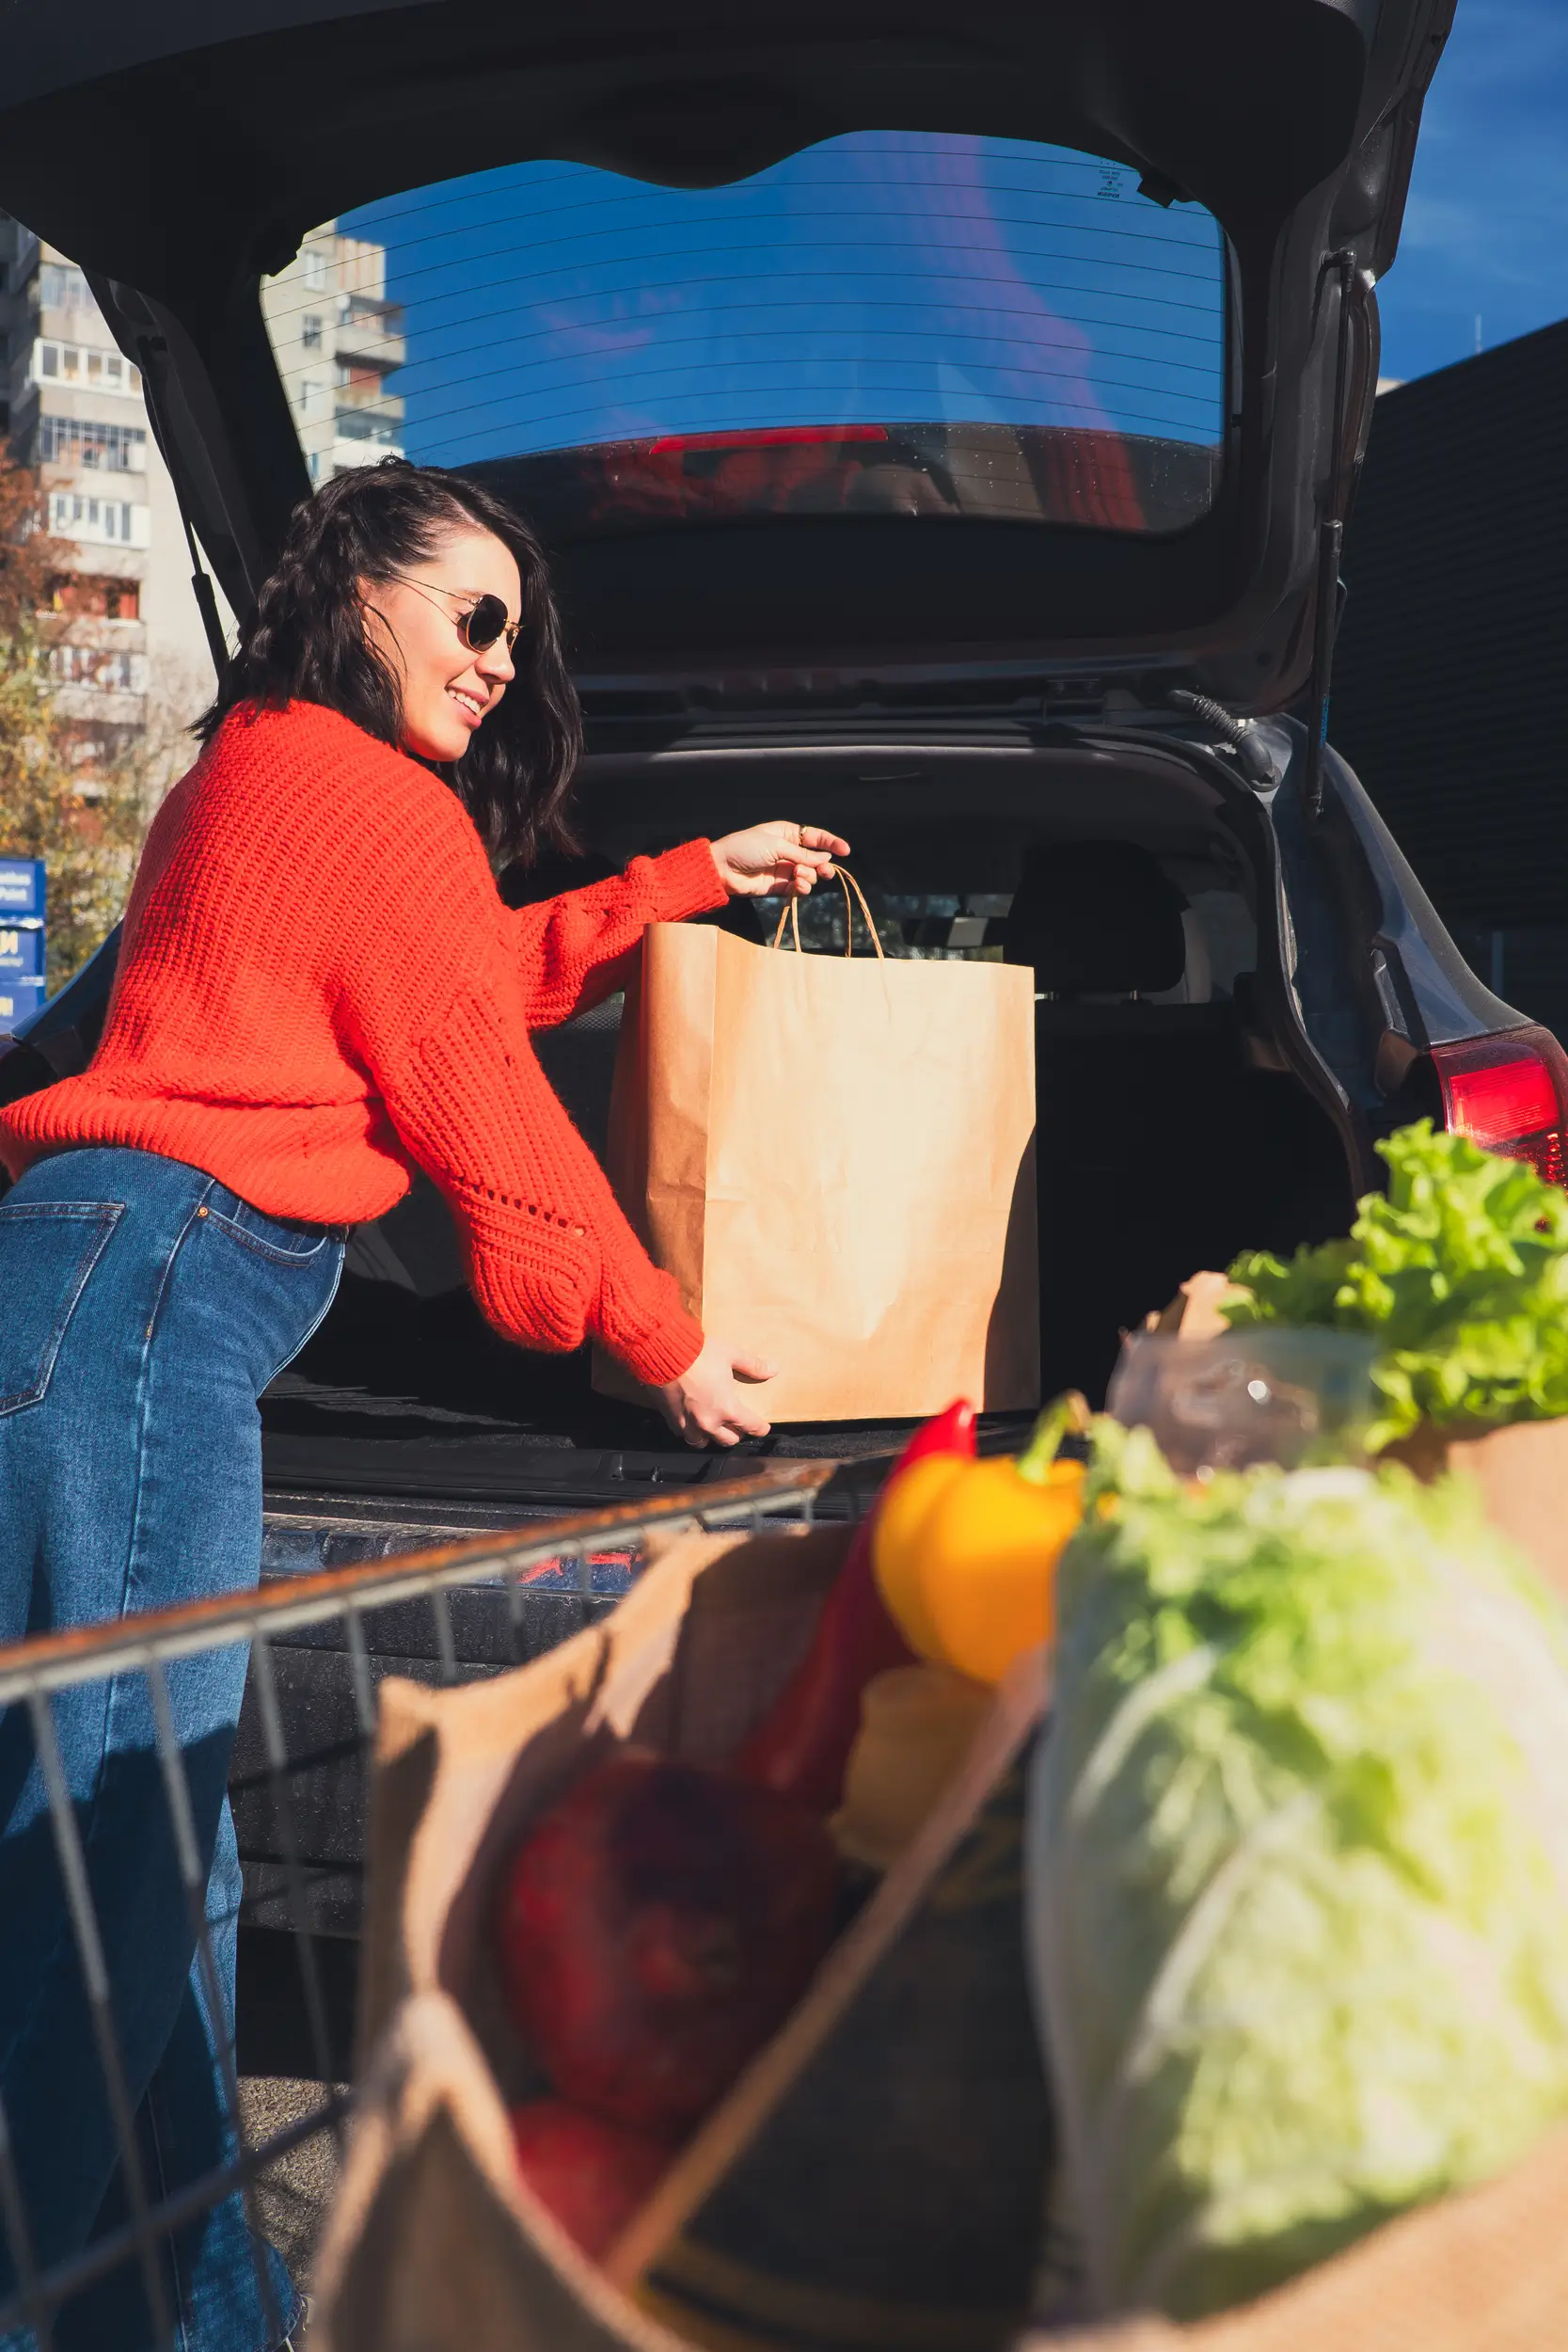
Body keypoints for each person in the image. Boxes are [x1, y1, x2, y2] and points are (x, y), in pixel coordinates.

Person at [0, 457, 847, 2350]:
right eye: (473, 615)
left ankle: (202, 2320)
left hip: (74, 1289)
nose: (497, 661)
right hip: (150, 1302)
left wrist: (682, 883)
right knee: (106, 1870)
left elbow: (451, 974)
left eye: (517, 641)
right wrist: (659, 1334)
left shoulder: (259, 769)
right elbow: (478, 1086)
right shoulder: (371, 800)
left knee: (146, 1858)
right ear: (357, 585)